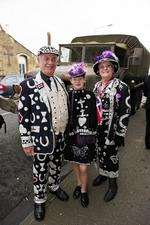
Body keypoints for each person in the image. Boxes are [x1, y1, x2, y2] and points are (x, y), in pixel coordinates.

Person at [18, 45, 69, 221]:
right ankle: (39, 200)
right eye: (46, 58)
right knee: (40, 170)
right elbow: (23, 116)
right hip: (40, 139)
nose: (50, 62)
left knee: (56, 165)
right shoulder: (28, 85)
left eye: (53, 59)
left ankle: (54, 186)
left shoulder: (61, 82)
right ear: (39, 60)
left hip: (60, 135)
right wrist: (26, 141)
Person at [92, 50, 131, 202]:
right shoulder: (96, 86)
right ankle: (102, 174)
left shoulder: (122, 87)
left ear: (114, 68)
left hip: (111, 130)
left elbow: (125, 111)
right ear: (98, 70)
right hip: (98, 129)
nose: (105, 68)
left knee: (111, 157)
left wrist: (121, 133)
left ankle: (113, 185)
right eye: (102, 67)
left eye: (108, 66)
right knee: (100, 153)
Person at [64, 63, 96, 207]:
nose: (77, 81)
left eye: (80, 78)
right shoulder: (67, 95)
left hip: (86, 136)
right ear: (70, 80)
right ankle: (78, 184)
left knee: (84, 167)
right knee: (75, 163)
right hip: (71, 136)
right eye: (74, 78)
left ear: (84, 79)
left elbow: (97, 116)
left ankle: (83, 190)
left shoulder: (91, 95)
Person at [140, 74, 150, 149]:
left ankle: (148, 144)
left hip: (149, 105)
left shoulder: (147, 78)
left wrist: (143, 103)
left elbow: (145, 93)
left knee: (149, 125)